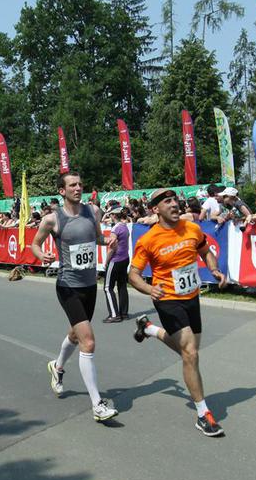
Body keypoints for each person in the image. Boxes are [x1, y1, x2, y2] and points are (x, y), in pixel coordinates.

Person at [127, 188, 228, 437]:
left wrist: (214, 269)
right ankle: (203, 414)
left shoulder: (191, 228)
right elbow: (133, 275)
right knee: (190, 353)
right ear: (155, 209)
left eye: (175, 200)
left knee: (190, 350)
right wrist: (149, 289)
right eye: (167, 202)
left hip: (191, 297)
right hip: (167, 299)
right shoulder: (148, 240)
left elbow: (205, 251)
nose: (174, 205)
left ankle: (149, 329)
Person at [31, 172, 119, 422]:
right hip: (68, 285)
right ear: (62, 191)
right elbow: (35, 244)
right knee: (87, 342)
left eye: (80, 184)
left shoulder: (93, 211)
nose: (78, 188)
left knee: (75, 333)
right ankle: (97, 404)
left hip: (89, 285)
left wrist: (108, 240)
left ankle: (57, 367)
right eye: (72, 185)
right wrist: (42, 255)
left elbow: (97, 238)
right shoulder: (52, 219)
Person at [103, 208, 131, 323]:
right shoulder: (124, 226)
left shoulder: (115, 229)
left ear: (114, 215)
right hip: (125, 258)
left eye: (111, 215)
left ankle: (114, 314)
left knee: (107, 287)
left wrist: (106, 261)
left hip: (116, 259)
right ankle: (124, 313)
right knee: (122, 286)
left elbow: (112, 247)